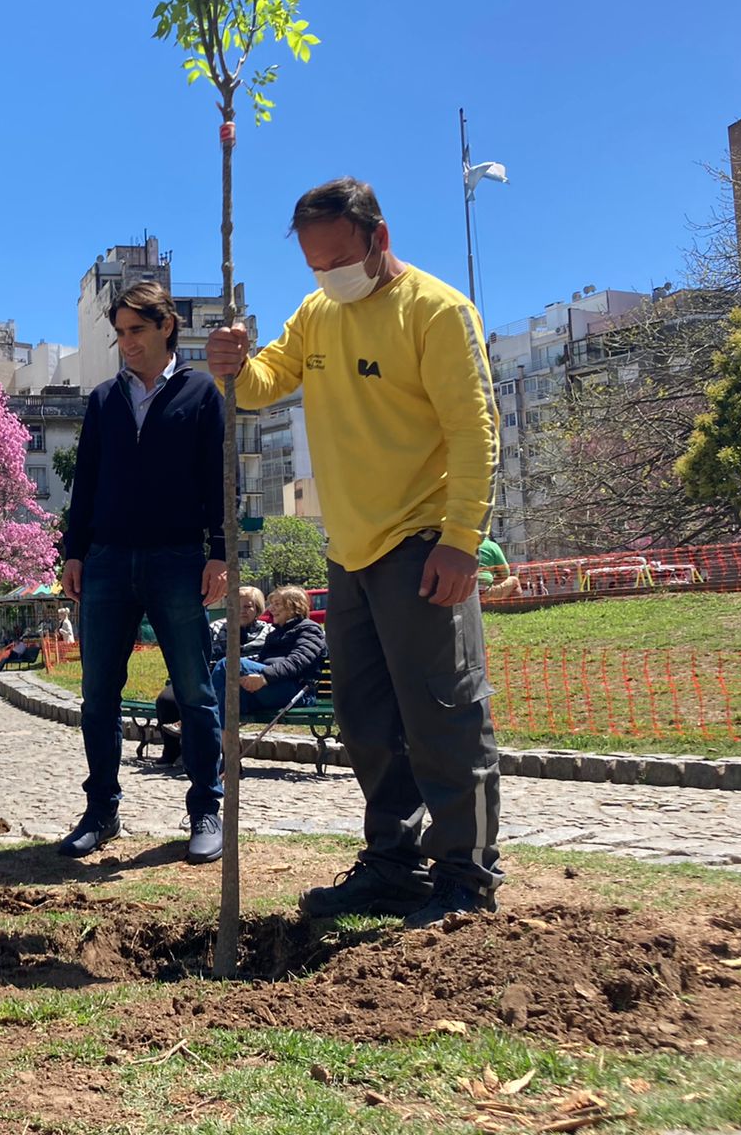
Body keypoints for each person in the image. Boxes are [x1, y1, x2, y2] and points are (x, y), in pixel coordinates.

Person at [206, 176, 502, 928]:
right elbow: (266, 382)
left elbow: (475, 432)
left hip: (423, 541)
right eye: (313, 265)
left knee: (443, 716)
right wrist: (232, 364)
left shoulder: (436, 312)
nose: (327, 276)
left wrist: (462, 542)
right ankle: (392, 865)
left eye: (338, 259)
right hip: (350, 552)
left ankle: (465, 874)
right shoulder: (318, 312)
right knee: (368, 722)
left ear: (380, 237)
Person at [61, 279, 228, 865]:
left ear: (166, 328)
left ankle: (207, 807)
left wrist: (220, 553)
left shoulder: (202, 392)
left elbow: (216, 481)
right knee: (97, 694)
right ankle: (101, 810)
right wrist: (73, 551)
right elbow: (85, 482)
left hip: (178, 558)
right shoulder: (104, 398)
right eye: (119, 333)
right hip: (106, 560)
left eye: (136, 330)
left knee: (195, 690)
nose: (125, 342)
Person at [151, 586, 272, 764]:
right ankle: (172, 750)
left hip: (243, 684)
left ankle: (214, 756)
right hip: (206, 677)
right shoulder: (216, 628)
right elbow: (200, 655)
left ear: (258, 609)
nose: (242, 611)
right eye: (236, 606)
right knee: (167, 698)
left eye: (248, 606)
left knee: (218, 698)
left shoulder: (268, 632)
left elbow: (265, 664)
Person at [227, 586, 327, 724]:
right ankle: (222, 742)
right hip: (269, 687)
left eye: (277, 604)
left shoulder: (310, 629)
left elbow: (297, 662)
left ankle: (217, 741)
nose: (271, 609)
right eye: (271, 604)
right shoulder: (274, 634)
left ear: (294, 606)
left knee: (229, 664)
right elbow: (261, 662)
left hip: (296, 691)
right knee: (225, 698)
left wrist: (264, 677)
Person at [477, 536, 522, 601]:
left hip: (462, 591)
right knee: (514, 580)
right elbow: (505, 573)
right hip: (484, 591)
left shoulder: (460, 546)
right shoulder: (491, 545)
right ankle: (517, 608)